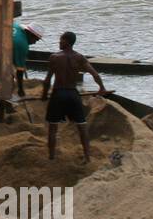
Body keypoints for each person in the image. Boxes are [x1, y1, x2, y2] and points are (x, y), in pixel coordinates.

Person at [41, 31, 109, 162]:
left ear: (67, 42)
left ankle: (51, 157)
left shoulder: (54, 57)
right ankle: (87, 157)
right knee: (82, 126)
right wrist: (102, 87)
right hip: (73, 94)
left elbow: (47, 80)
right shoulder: (79, 57)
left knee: (53, 128)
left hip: (58, 94)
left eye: (61, 40)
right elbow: (95, 74)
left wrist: (44, 95)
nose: (59, 42)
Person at [12, 20, 44, 97]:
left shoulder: (16, 25)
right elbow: (19, 70)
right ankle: (4, 107)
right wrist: (20, 89)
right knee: (8, 81)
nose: (34, 43)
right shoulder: (22, 45)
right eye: (35, 40)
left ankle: (8, 105)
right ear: (30, 34)